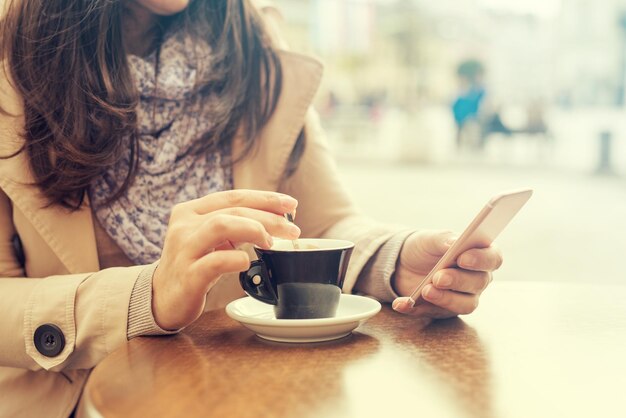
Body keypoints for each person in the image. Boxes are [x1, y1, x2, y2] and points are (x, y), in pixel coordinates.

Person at [0, 1, 503, 416]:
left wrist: (395, 260)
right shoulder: (10, 59)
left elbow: (324, 221)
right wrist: (144, 298)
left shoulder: (254, 42)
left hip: (249, 393)